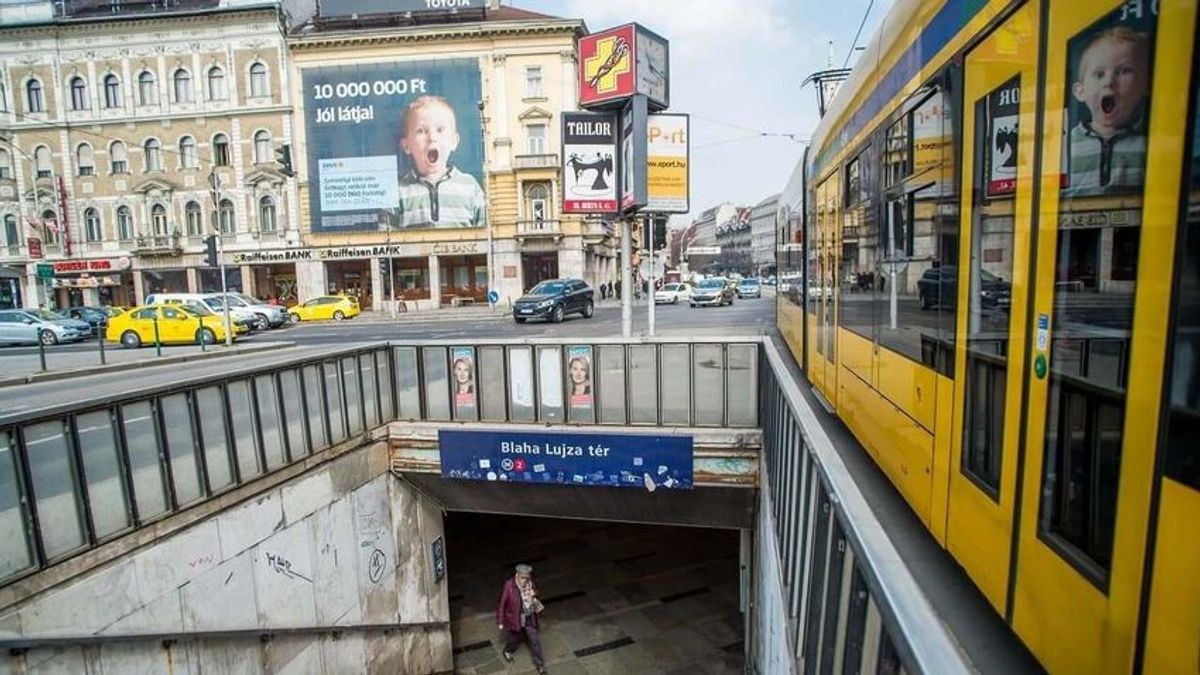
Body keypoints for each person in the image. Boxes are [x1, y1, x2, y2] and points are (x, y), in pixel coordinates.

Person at [1065, 25, 1150, 196]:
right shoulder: (1067, 146)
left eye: (1124, 71)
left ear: (1146, 87)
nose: (1109, 82)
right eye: (1099, 74)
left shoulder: (1148, 146)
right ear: (1080, 92)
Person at [389, 95, 486, 229]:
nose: (432, 138)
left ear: (454, 141)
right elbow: (385, 242)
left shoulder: (470, 187)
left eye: (440, 130)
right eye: (421, 131)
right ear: (406, 146)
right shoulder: (397, 192)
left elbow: (485, 235)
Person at [497, 563, 546, 674]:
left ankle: (540, 666)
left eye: (526, 577)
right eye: (523, 578)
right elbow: (502, 604)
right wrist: (500, 621)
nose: (525, 580)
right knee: (513, 639)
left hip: (529, 616)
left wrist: (534, 593)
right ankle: (508, 650)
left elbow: (537, 591)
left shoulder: (530, 582)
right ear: (517, 575)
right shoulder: (509, 585)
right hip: (516, 618)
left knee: (535, 641)